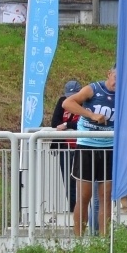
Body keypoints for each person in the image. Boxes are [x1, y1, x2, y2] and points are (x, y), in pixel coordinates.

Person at [66, 69, 117, 237]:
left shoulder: (124, 95)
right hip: (87, 146)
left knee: (105, 198)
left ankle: (104, 241)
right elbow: (67, 103)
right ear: (109, 74)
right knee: (84, 196)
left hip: (109, 148)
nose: (118, 83)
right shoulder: (93, 89)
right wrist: (91, 114)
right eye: (116, 77)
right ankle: (79, 241)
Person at [50, 78, 83, 220]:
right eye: (69, 97)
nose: (71, 99)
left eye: (74, 96)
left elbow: (83, 123)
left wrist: (67, 124)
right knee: (68, 181)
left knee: (82, 180)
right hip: (65, 147)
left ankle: (82, 211)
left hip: (81, 147)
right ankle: (72, 210)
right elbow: (54, 123)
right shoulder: (62, 102)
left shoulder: (86, 103)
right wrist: (67, 123)